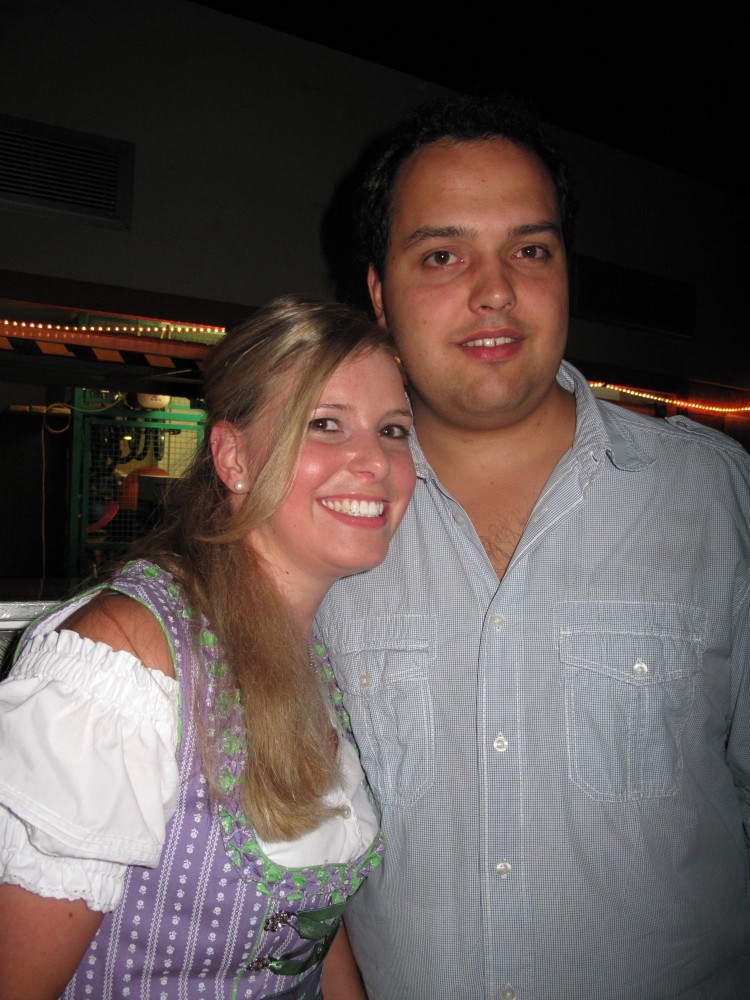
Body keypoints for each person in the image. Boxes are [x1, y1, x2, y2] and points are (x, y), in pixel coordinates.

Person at [315, 94, 750, 999]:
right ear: (379, 294)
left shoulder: (716, 498)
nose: (495, 291)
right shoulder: (314, 524)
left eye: (531, 250)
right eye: (442, 255)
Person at [0, 294, 416, 1000]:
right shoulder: (127, 658)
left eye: (394, 430)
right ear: (233, 457)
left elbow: (315, 927)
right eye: (325, 424)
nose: (375, 461)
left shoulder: (319, 652)